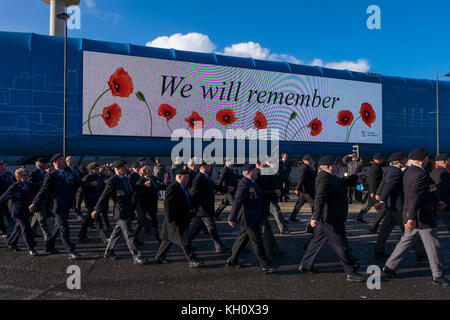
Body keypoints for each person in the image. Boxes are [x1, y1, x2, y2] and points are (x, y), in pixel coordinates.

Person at [383, 148, 449, 287]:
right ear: (421, 160)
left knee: (406, 241)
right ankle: (438, 275)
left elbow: (425, 192)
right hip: (422, 216)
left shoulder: (409, 172)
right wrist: (412, 217)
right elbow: (414, 197)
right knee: (433, 245)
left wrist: (437, 202)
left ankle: (390, 267)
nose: (427, 160)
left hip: (413, 214)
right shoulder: (420, 174)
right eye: (426, 158)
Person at [299, 156, 367, 282]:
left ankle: (305, 265)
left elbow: (341, 182)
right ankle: (351, 271)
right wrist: (315, 217)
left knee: (316, 242)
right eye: (336, 164)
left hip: (331, 217)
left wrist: (356, 177)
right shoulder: (324, 178)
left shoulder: (331, 176)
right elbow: (320, 198)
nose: (338, 166)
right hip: (331, 218)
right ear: (329, 166)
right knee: (341, 244)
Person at [92, 160, 147, 265]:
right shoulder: (113, 180)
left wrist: (144, 185)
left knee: (116, 233)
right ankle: (136, 256)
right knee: (129, 234)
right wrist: (96, 210)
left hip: (128, 210)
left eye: (125, 167)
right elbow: (104, 196)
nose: (126, 168)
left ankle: (109, 251)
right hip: (121, 211)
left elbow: (133, 187)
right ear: (117, 169)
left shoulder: (125, 178)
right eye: (123, 167)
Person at [373, 152, 426, 260]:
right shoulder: (395, 171)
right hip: (398, 206)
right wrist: (382, 201)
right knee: (409, 230)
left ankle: (378, 249)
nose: (406, 160)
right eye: (404, 159)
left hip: (393, 206)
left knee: (385, 229)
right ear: (399, 161)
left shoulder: (393, 170)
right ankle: (420, 252)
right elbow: (388, 186)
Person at [226, 164, 277, 274]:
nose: (257, 172)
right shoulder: (244, 184)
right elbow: (237, 201)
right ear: (248, 172)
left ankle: (232, 260)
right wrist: (232, 217)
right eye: (255, 170)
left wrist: (272, 192)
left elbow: (259, 193)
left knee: (242, 240)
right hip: (249, 218)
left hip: (253, 216)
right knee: (257, 241)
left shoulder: (252, 182)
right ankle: (265, 265)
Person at [29, 153, 80, 260]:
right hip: (57, 207)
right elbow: (43, 190)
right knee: (64, 228)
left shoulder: (65, 173)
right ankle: (70, 250)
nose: (64, 162)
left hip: (66, 205)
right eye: (62, 160)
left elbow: (72, 185)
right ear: (55, 162)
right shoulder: (51, 175)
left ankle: (49, 245)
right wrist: (34, 203)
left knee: (57, 228)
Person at [155, 169, 202, 268]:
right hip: (175, 220)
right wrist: (170, 220)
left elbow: (188, 199)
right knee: (184, 240)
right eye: (187, 177)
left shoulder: (183, 187)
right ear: (180, 177)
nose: (188, 179)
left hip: (182, 218)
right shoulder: (172, 187)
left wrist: (196, 206)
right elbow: (167, 205)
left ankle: (159, 257)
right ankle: (192, 260)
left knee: (167, 239)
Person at [189, 161, 229, 254]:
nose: (211, 167)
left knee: (195, 229)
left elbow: (214, 187)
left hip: (207, 207)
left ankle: (185, 243)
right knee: (212, 227)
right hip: (203, 208)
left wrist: (227, 189)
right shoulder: (198, 178)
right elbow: (193, 194)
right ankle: (219, 246)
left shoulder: (206, 176)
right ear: (203, 166)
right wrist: (196, 206)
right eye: (209, 165)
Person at [0, 168, 37, 256]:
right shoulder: (14, 186)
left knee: (18, 228)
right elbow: (3, 198)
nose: (27, 176)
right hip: (18, 212)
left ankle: (12, 243)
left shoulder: (28, 184)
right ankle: (31, 248)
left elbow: (39, 186)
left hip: (27, 211)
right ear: (18, 176)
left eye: (27, 174)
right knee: (26, 229)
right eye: (24, 175)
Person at [255, 161, 284, 257]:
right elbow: (259, 192)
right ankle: (272, 252)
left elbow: (275, 180)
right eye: (264, 164)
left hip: (263, 206)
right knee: (254, 232)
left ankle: (274, 251)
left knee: (266, 230)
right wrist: (273, 192)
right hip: (257, 208)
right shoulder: (256, 175)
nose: (266, 165)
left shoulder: (264, 173)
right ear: (258, 165)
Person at [134, 165, 166, 246]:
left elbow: (160, 186)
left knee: (141, 223)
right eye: (148, 170)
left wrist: (167, 185)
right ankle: (159, 240)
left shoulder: (153, 179)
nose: (150, 171)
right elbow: (137, 194)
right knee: (154, 222)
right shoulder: (141, 181)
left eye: (150, 170)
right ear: (144, 172)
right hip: (144, 205)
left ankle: (134, 238)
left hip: (152, 205)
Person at [78, 162, 108, 244]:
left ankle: (81, 235)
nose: (98, 169)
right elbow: (81, 187)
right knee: (98, 220)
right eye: (96, 168)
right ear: (92, 169)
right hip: (90, 202)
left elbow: (102, 187)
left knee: (87, 220)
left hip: (96, 201)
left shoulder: (98, 177)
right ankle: (104, 238)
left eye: (98, 168)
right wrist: (90, 184)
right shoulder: (88, 177)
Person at [290, 155, 316, 234]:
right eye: (311, 159)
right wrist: (297, 188)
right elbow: (301, 178)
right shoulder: (305, 167)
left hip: (304, 191)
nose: (312, 160)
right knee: (314, 205)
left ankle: (292, 217)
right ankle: (313, 223)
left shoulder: (307, 166)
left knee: (299, 204)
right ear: (308, 160)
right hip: (306, 191)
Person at [29, 157, 52, 241]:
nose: (48, 165)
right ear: (42, 164)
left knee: (36, 217)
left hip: (45, 198)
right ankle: (47, 236)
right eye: (47, 163)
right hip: (38, 198)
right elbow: (30, 183)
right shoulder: (34, 173)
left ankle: (30, 232)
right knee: (42, 218)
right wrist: (42, 184)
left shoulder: (46, 173)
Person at [357, 153, 384, 223]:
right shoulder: (376, 168)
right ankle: (377, 223)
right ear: (379, 159)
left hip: (374, 190)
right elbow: (372, 180)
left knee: (368, 205)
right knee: (380, 207)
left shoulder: (375, 166)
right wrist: (372, 192)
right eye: (381, 159)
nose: (383, 160)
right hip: (375, 190)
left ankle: (360, 216)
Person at [430, 153, 450, 231]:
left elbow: (432, 188)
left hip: (437, 203)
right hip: (445, 203)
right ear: (445, 162)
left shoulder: (433, 173)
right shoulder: (445, 174)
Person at [65, 156, 83, 220]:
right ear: (67, 161)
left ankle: (78, 214)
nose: (73, 161)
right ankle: (77, 214)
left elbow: (80, 175)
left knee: (76, 202)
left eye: (73, 160)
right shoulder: (65, 169)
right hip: (70, 188)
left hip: (77, 187)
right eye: (72, 160)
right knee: (71, 202)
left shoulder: (75, 168)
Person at [0, 160, 15, 237]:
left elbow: (13, 181)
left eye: (5, 165)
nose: (4, 167)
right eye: (3, 165)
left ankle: (10, 221)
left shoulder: (8, 174)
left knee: (5, 210)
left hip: (5, 197)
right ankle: (3, 232)